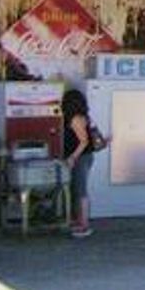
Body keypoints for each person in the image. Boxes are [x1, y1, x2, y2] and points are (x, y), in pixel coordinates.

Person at [62, 88, 98, 237]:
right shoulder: (85, 117)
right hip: (86, 156)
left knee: (81, 190)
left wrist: (72, 157)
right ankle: (79, 221)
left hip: (81, 158)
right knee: (77, 189)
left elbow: (83, 141)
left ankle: (84, 225)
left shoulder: (75, 119)